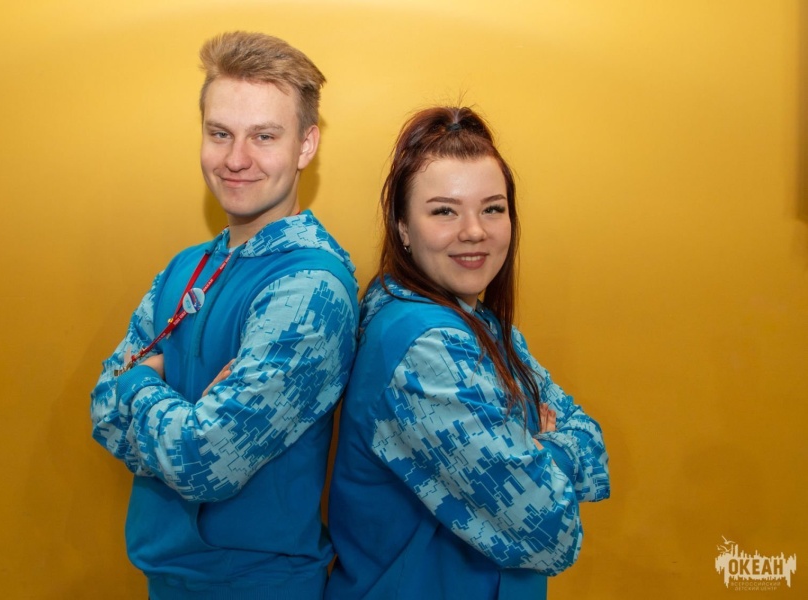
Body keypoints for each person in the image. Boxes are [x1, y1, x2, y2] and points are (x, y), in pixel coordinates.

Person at [90, 31, 359, 600]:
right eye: (220, 134)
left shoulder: (310, 287)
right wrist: (178, 416)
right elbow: (100, 412)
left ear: (306, 145)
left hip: (256, 585)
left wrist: (139, 383)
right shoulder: (188, 266)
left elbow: (202, 462)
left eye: (264, 136)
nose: (236, 159)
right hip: (168, 579)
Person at [325, 106, 610, 600]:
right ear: (403, 228)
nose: (474, 230)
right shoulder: (426, 349)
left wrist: (537, 456)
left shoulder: (480, 323)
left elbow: (594, 439)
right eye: (444, 211)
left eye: (492, 209)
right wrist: (552, 449)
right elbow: (549, 531)